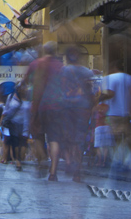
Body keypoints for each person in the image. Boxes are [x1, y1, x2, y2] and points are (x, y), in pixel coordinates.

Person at [57, 46, 94, 182]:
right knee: (80, 138)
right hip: (83, 109)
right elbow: (91, 91)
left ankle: (70, 162)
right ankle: (77, 169)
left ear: (66, 57)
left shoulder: (63, 71)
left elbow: (59, 89)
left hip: (67, 108)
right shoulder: (87, 72)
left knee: (68, 137)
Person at [24, 41, 58, 176]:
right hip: (55, 106)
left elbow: (26, 80)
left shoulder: (35, 64)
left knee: (37, 134)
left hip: (38, 104)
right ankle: (54, 170)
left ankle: (43, 158)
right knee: (54, 138)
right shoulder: (60, 66)